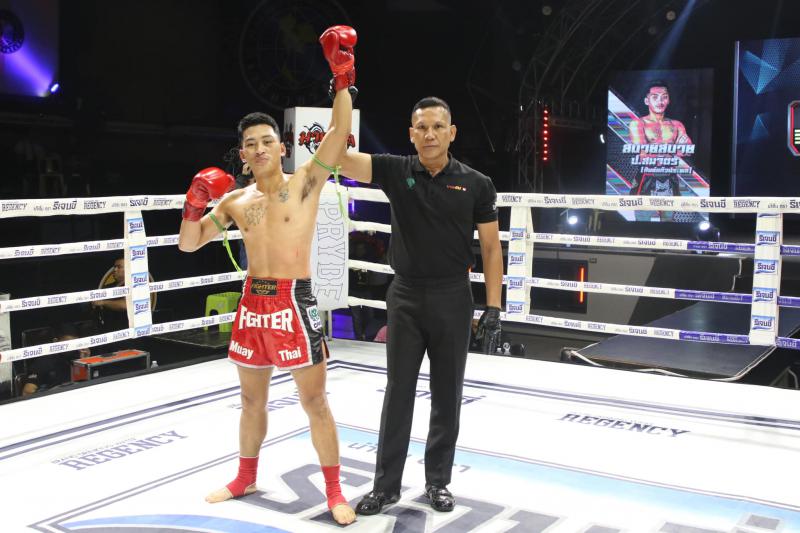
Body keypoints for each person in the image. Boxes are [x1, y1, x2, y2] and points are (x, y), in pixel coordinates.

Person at [177, 25, 357, 526]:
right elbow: (189, 244)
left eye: (266, 141)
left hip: (294, 301)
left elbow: (339, 133)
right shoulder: (235, 201)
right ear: (242, 155)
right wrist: (193, 203)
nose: (258, 149)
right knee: (249, 400)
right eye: (250, 144)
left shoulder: (305, 183)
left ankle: (335, 491)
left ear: (281, 147)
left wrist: (342, 77)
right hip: (252, 304)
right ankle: (245, 477)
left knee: (314, 400)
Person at [336, 96, 504, 514]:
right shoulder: (396, 169)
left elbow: (490, 247)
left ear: (452, 132)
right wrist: (342, 92)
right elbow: (339, 158)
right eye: (422, 127)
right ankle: (385, 487)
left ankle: (438, 482)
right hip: (406, 296)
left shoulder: (477, 183)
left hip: (453, 296)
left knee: (447, 394)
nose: (430, 134)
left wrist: (494, 307)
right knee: (398, 392)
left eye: (437, 126)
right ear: (411, 134)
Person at [627, 80, 691, 219]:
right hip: (646, 177)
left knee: (668, 222)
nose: (660, 101)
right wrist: (673, 150)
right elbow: (642, 153)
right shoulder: (638, 123)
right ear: (647, 100)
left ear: (669, 100)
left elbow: (687, 150)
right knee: (642, 222)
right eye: (655, 97)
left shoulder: (677, 125)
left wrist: (667, 150)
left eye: (664, 97)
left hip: (670, 178)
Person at [21, 323, 91, 396]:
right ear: (56, 342)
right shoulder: (43, 362)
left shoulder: (78, 356)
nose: (73, 348)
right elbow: (27, 392)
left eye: (75, 343)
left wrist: (84, 361)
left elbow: (83, 383)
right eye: (68, 344)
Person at [92, 257, 129, 332]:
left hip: (125, 329)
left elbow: (125, 305)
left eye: (119, 267)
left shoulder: (136, 285)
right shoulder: (107, 287)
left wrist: (103, 302)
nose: (115, 270)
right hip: (108, 329)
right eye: (114, 267)